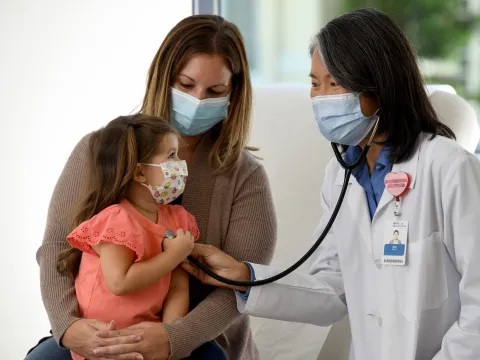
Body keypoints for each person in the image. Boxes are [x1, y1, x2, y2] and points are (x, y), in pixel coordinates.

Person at [181, 8, 480, 360]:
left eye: (334, 83)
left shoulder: (449, 167)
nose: (321, 98)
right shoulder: (340, 176)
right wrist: (245, 276)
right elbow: (331, 290)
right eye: (314, 83)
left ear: (380, 84)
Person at [28, 14, 277, 360]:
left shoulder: (245, 178)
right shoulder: (99, 150)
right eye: (186, 85)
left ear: (233, 93)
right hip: (101, 330)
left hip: (199, 341)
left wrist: (174, 338)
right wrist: (69, 327)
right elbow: (56, 246)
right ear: (163, 79)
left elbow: (240, 287)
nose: (198, 100)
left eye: (215, 91)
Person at [57, 114, 214, 360]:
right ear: (140, 174)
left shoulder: (179, 220)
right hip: (102, 343)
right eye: (171, 155)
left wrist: (169, 335)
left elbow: (177, 285)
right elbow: (120, 283)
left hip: (145, 339)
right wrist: (173, 255)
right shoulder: (116, 220)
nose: (181, 163)